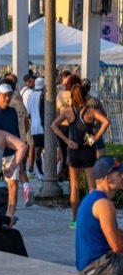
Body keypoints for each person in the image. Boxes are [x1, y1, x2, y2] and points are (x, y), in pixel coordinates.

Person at [50, 82, 111, 228]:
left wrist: (67, 141)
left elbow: (54, 126)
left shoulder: (68, 111)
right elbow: (106, 122)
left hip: (74, 150)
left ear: (72, 96)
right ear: (85, 96)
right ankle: (92, 217)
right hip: (87, 150)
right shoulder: (91, 111)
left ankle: (75, 219)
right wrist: (95, 138)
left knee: (74, 186)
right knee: (92, 187)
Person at [75, 158, 123, 275]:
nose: (122, 177)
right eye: (119, 174)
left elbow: (114, 234)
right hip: (97, 265)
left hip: (91, 264)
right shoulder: (103, 204)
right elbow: (116, 245)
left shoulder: (92, 198)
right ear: (108, 179)